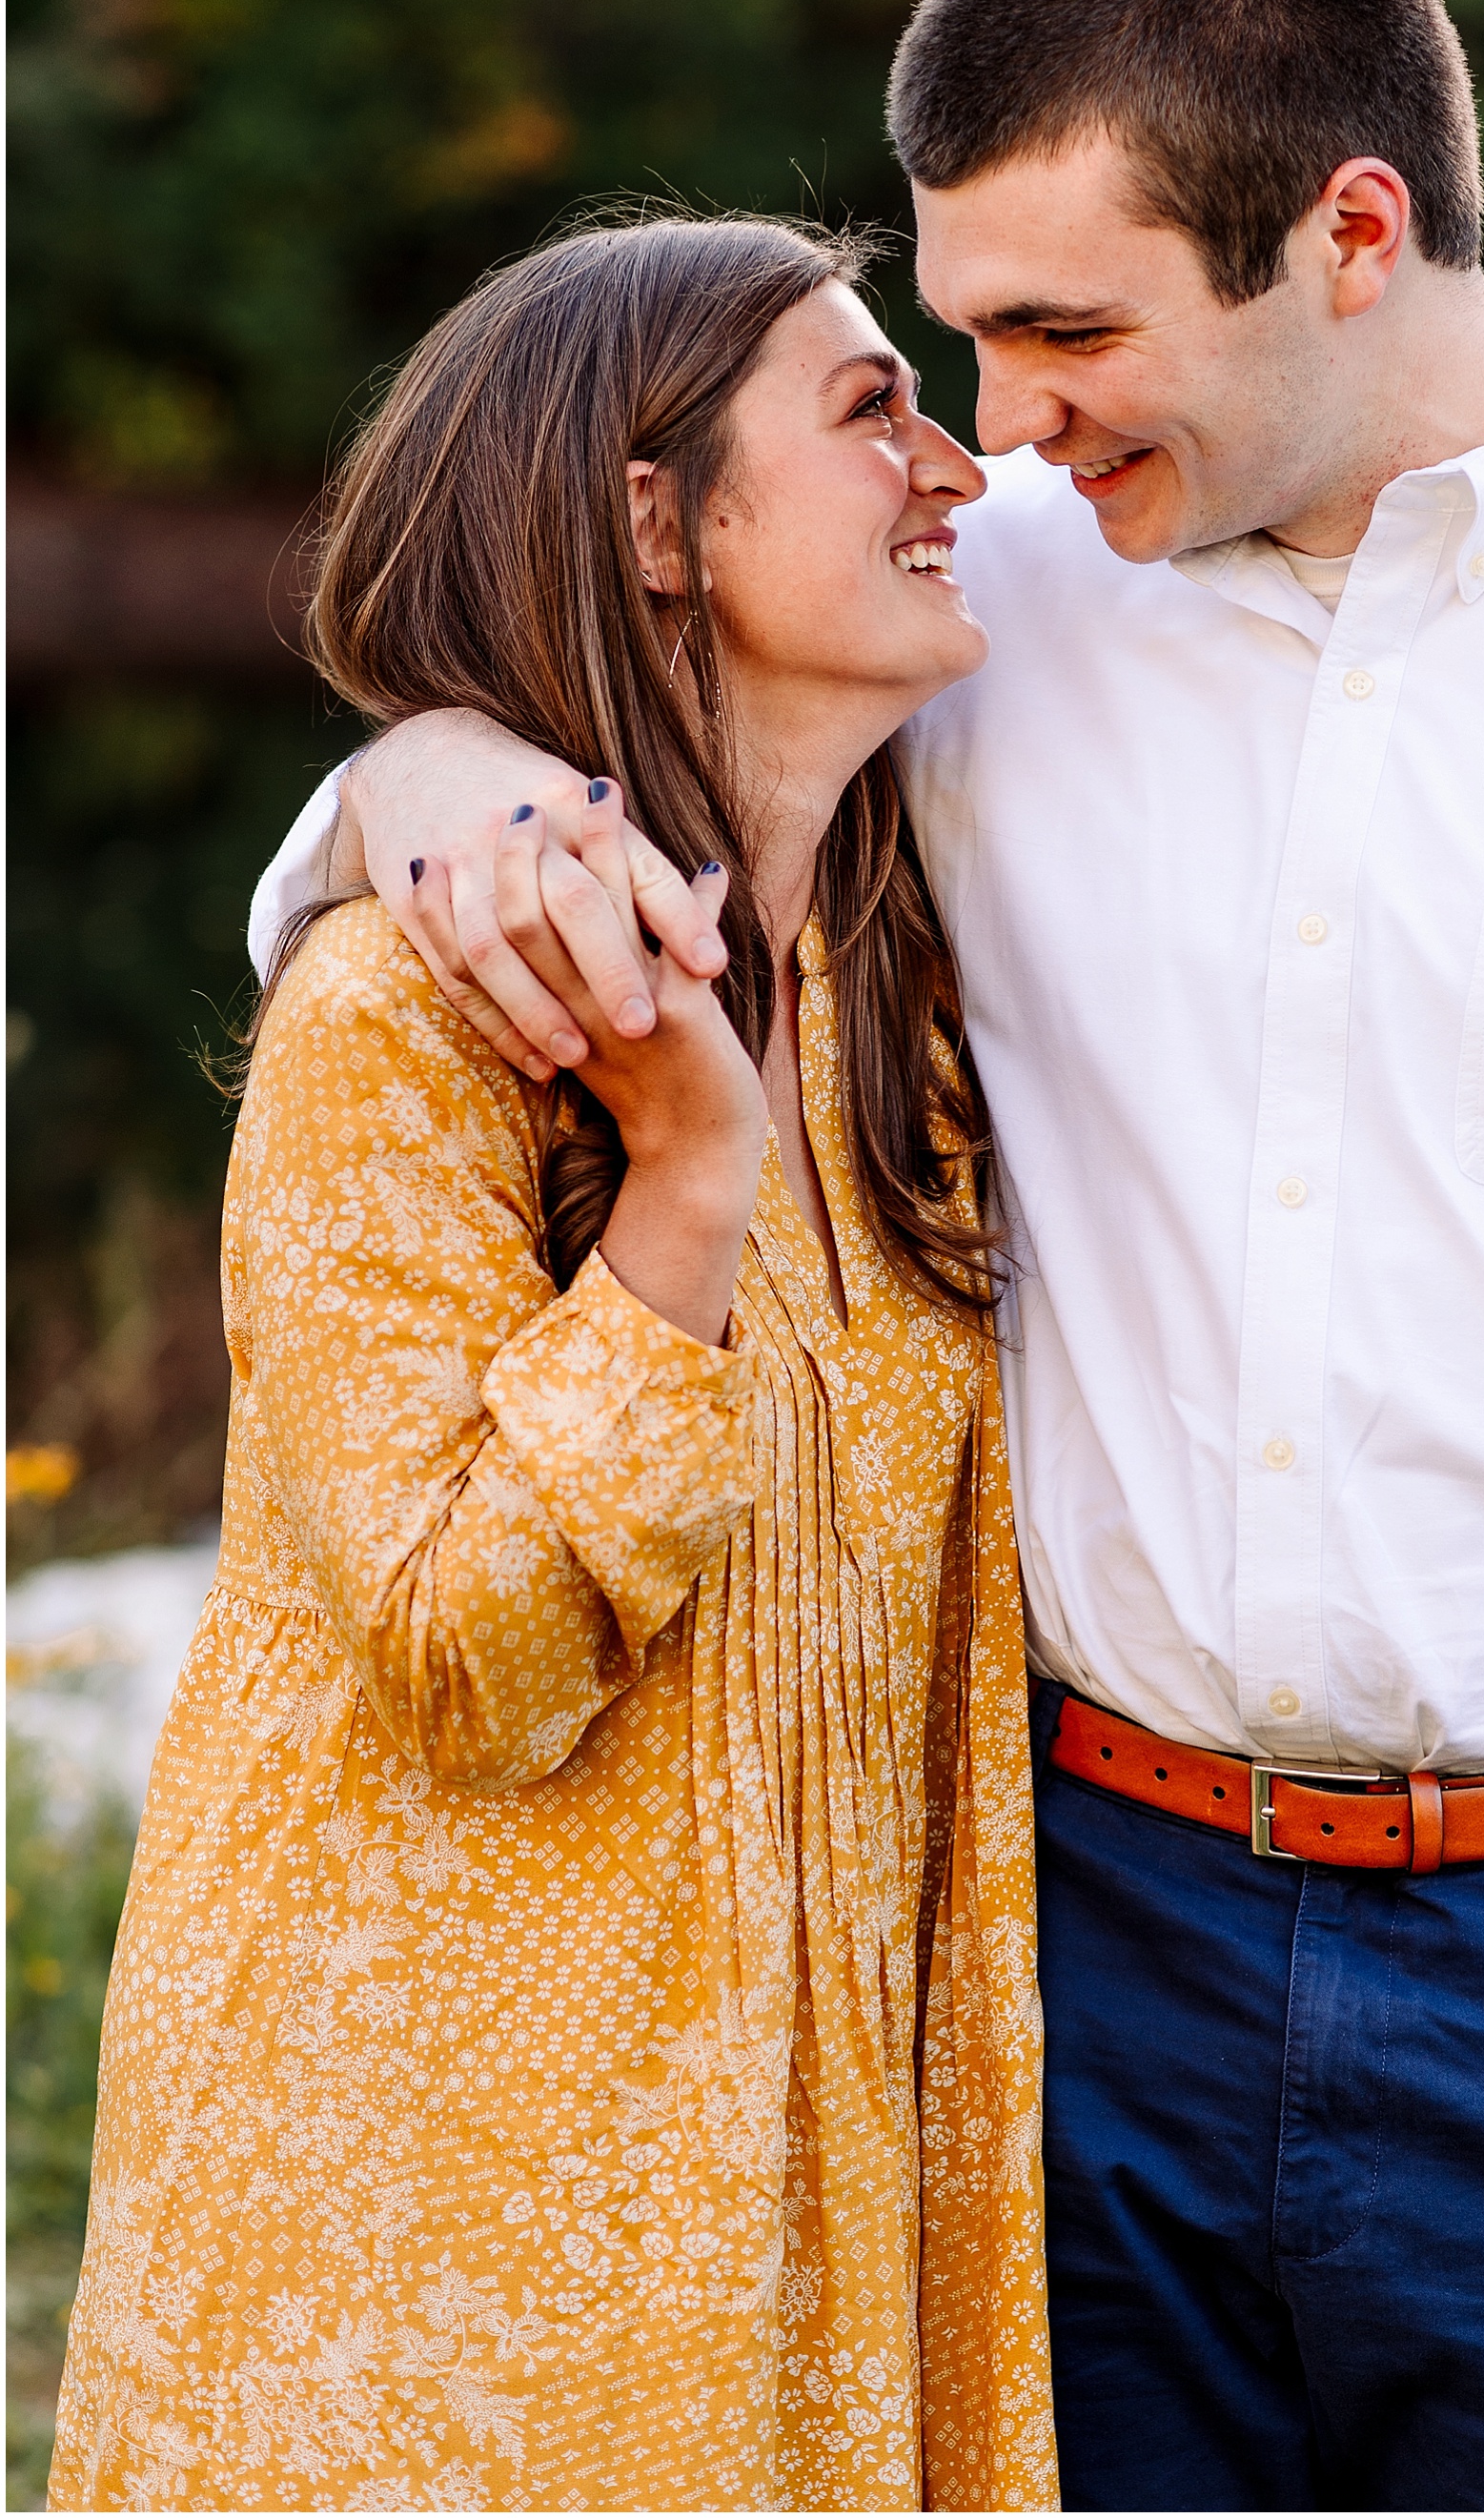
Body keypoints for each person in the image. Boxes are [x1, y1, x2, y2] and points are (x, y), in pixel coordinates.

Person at [250, 0, 1484, 2514]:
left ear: (1351, 231)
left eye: (1065, 330)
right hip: (1083, 1945)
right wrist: (425, 772)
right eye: (955, 341)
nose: (999, 421)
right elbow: (563, 718)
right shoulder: (1003, 585)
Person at [50, 216, 1057, 2517]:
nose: (954, 465)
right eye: (865, 406)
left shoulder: (899, 1024)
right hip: (439, 2245)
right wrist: (681, 1187)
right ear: (646, 521)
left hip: (811, 2202)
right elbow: (461, 1657)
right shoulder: (402, 1026)